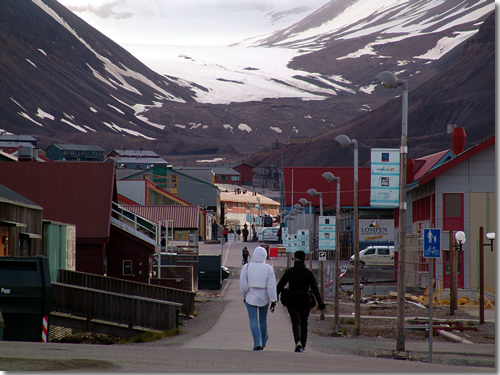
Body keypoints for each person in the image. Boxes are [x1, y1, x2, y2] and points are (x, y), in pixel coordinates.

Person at [276, 250, 325, 353]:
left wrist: (274, 297)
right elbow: (315, 289)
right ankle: (303, 345)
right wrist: (320, 302)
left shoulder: (290, 271)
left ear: (294, 259)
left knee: (295, 321)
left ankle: (297, 341)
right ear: (304, 260)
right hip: (305, 300)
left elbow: (280, 285)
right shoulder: (308, 273)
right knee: (304, 322)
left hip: (292, 299)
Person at [239, 246, 277, 351]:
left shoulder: (246, 267)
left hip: (250, 295)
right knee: (263, 319)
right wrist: (273, 300)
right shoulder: (268, 268)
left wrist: (244, 295)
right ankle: (264, 340)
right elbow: (271, 286)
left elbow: (243, 284)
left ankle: (257, 343)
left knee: (253, 319)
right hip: (264, 296)